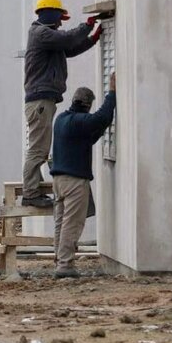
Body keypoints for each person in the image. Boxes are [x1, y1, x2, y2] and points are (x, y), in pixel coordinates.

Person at [22, 0, 105, 206]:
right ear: (50, 14)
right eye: (60, 18)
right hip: (40, 100)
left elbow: (70, 49)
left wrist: (93, 39)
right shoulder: (41, 33)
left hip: (43, 100)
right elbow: (67, 39)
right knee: (38, 149)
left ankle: (33, 189)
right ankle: (30, 194)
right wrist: (86, 26)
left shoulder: (47, 37)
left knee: (39, 147)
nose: (60, 23)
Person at [49, 73, 116, 278]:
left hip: (58, 181)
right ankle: (65, 266)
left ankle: (59, 259)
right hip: (74, 181)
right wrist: (112, 93)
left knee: (61, 222)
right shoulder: (80, 121)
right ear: (87, 105)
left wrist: (99, 130)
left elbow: (87, 137)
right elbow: (103, 117)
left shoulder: (61, 119)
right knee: (72, 223)